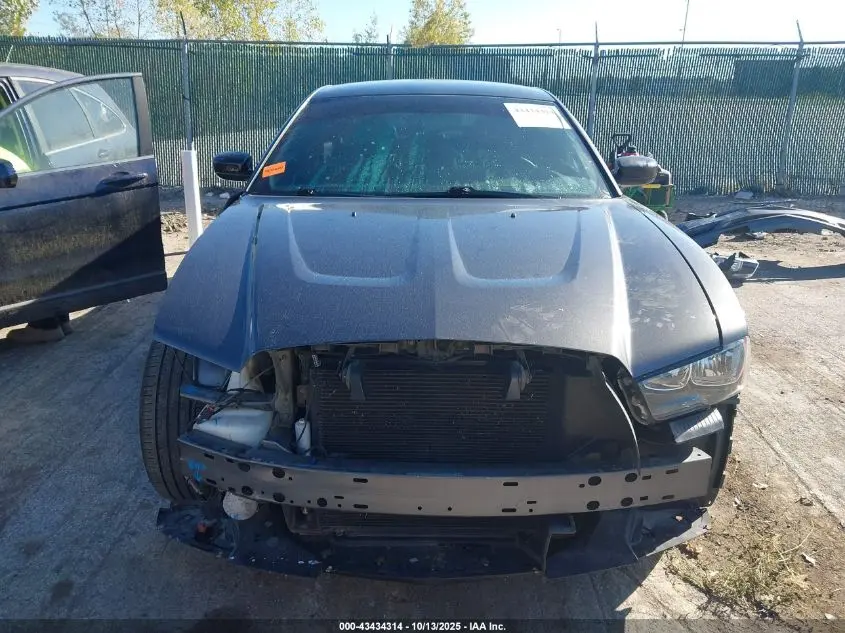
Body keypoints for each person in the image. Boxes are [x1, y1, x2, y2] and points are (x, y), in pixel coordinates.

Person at [0, 145, 72, 343]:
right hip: (35, 191)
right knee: (44, 260)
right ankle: (60, 319)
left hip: (15, 196)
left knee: (24, 263)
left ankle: (45, 325)